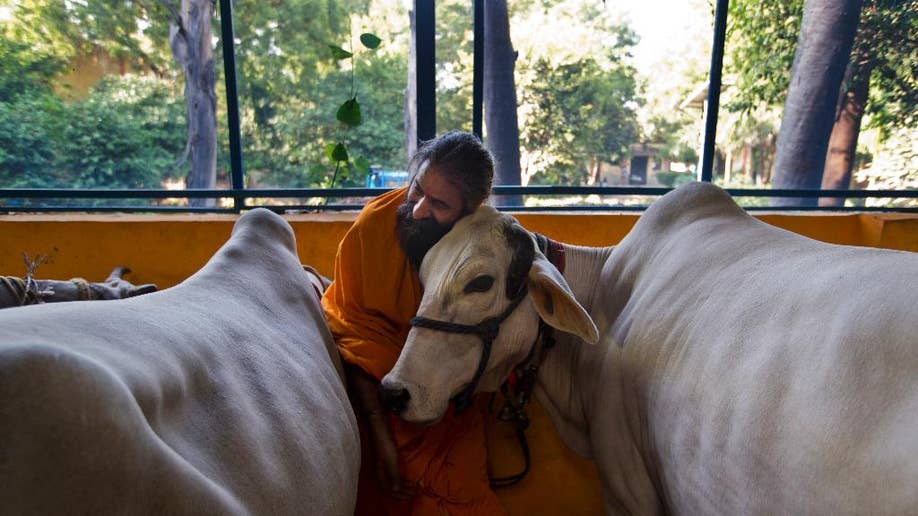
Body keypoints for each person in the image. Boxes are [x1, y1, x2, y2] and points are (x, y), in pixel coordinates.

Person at [322, 131, 504, 515]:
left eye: (439, 204)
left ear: (471, 210)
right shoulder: (373, 227)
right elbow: (351, 334)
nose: (419, 209)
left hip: (448, 415)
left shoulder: (477, 246)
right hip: (372, 402)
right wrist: (381, 435)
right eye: (416, 189)